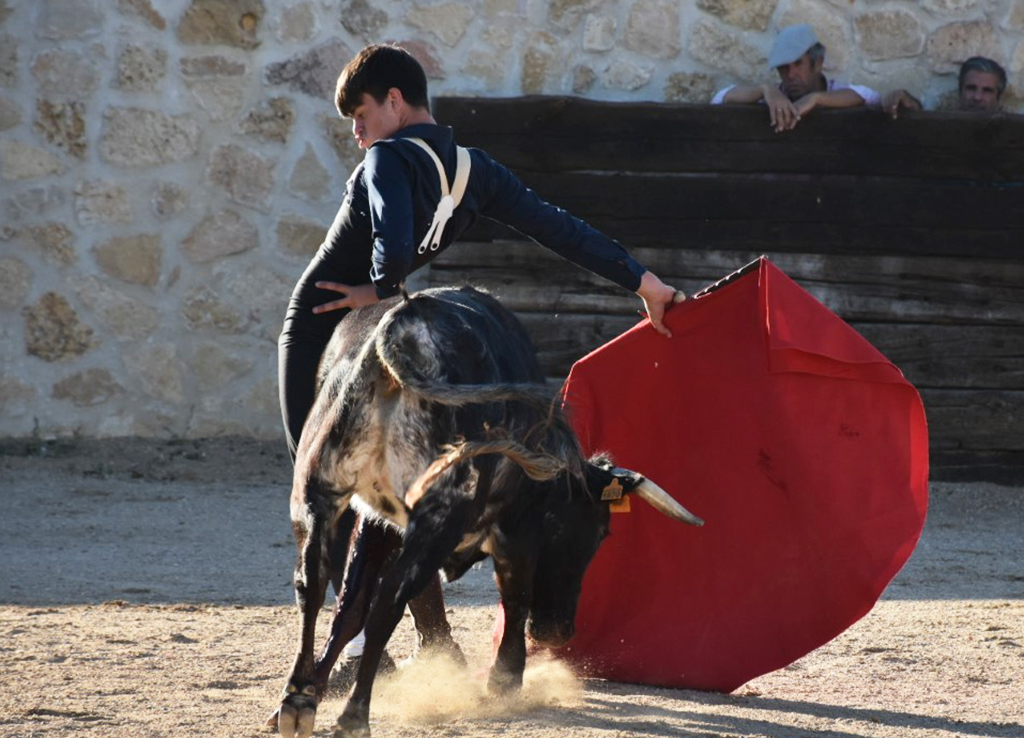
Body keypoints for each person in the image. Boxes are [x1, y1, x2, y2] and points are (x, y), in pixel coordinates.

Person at [279, 43, 683, 462]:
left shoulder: (385, 157)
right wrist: (645, 284)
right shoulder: (479, 172)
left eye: (361, 114)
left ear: (394, 101)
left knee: (312, 472)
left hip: (317, 319)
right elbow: (561, 230)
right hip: (379, 317)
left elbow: (393, 252)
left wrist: (377, 291)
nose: (356, 131)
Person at [711, 24, 881, 133]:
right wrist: (764, 90)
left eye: (798, 64)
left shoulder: (836, 93)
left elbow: (871, 97)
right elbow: (719, 98)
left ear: (818, 64)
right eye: (783, 67)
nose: (791, 74)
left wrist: (816, 98)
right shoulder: (774, 99)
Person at [882, 56, 1007, 118]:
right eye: (971, 88)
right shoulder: (942, 128)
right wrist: (906, 102)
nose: (977, 97)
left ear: (998, 97)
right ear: (960, 91)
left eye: (987, 91)